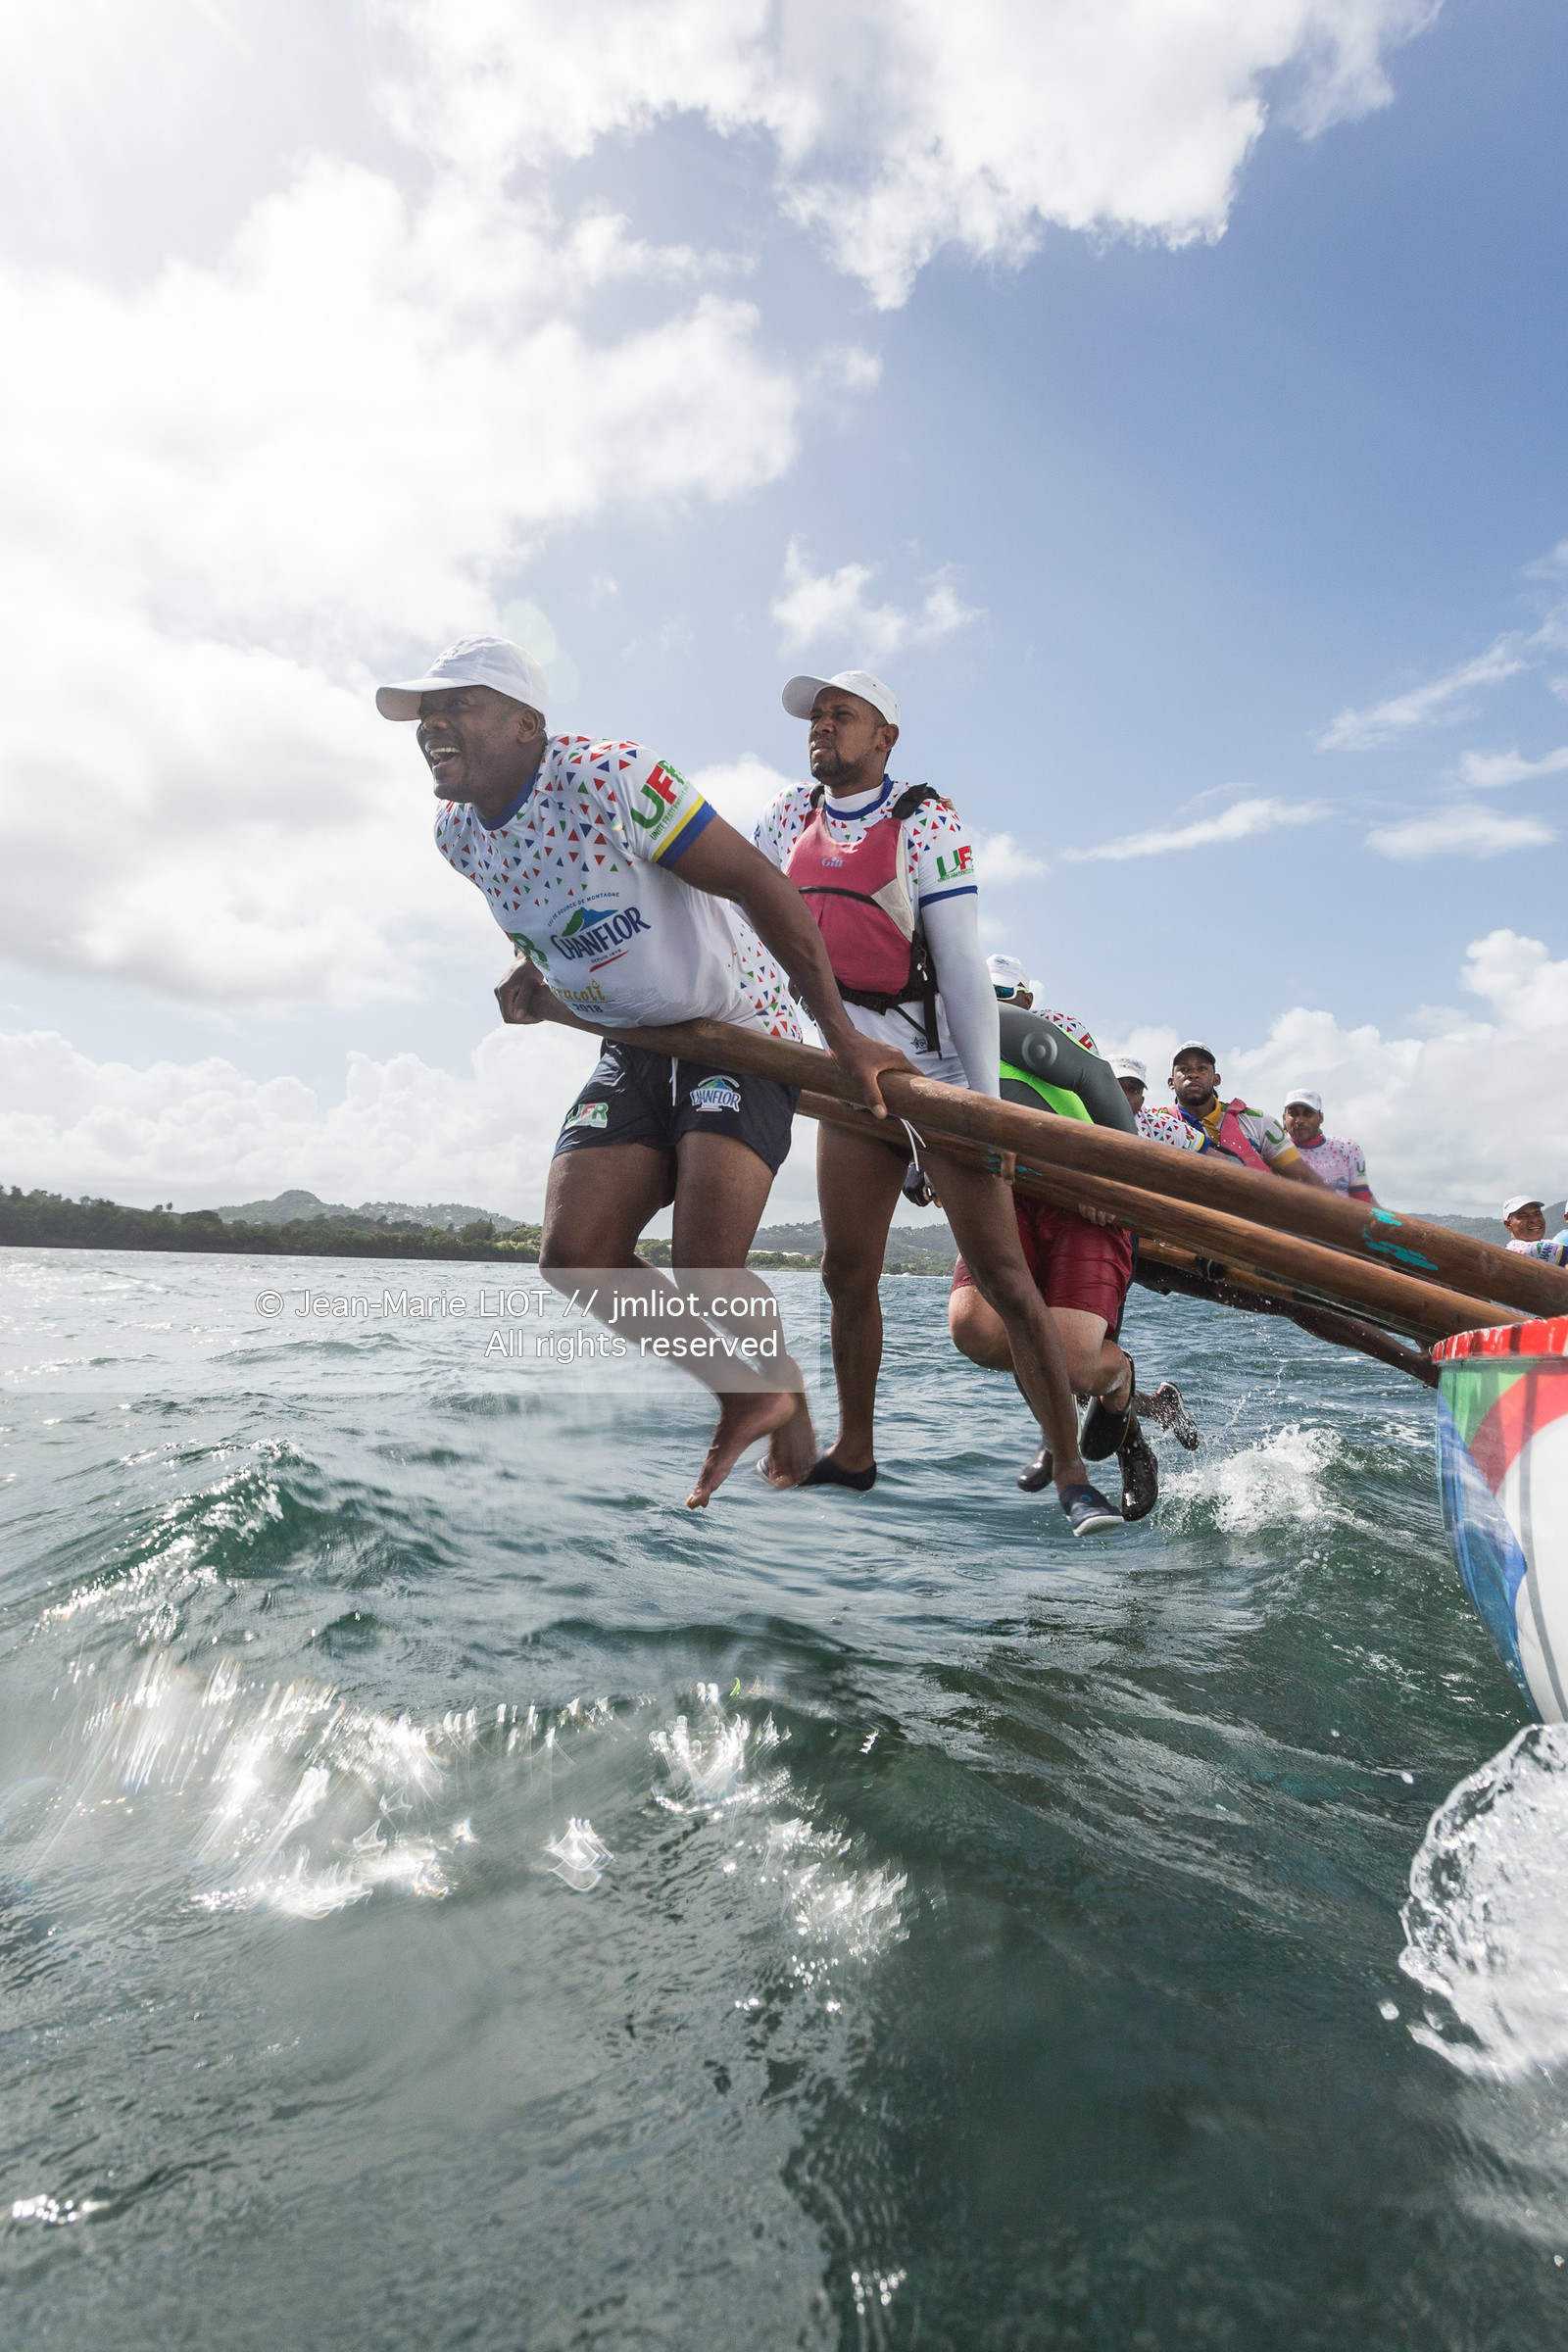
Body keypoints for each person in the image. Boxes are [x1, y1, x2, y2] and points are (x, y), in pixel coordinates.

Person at [377, 634, 906, 1508]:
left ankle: (787, 1408)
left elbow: (758, 884)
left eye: (457, 704)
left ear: (525, 724)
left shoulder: (614, 776)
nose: (432, 723)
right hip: (635, 1039)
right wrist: (543, 983)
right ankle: (751, 1394)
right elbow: (559, 919)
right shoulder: (455, 833)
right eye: (424, 712)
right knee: (575, 1254)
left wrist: (841, 1038)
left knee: (705, 1262)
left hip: (738, 1025)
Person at [755, 668, 1121, 1535]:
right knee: (845, 1269)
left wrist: (983, 1116)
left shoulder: (927, 819)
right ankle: (855, 1449)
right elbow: (742, 922)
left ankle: (1071, 1471)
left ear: (885, 738)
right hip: (852, 1072)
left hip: (942, 1074)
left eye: (843, 714)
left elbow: (960, 968)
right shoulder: (782, 818)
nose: (822, 725)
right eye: (816, 716)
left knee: (1002, 1275)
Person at [1168, 1044, 1323, 1182]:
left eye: (1202, 1068)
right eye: (1184, 1069)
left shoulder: (1259, 1122)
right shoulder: (1156, 1123)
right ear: (1171, 1082)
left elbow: (1306, 1179)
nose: (1193, 1074)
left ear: (1216, 1080)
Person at [1281, 1089, 1375, 1201]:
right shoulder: (1274, 1150)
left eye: (1307, 1114)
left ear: (1321, 1118)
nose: (1300, 1120)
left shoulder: (1348, 1148)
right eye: (1293, 1113)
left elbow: (1362, 1199)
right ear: (1284, 1118)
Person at [1110, 1054, 1198, 1152]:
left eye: (1133, 1090)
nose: (1124, 1096)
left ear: (1141, 1101)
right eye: (1116, 1085)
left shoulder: (1162, 1126)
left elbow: (1210, 1154)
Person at [1502, 1195, 1568, 1265]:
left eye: (1537, 1214)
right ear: (1508, 1225)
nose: (1534, 1219)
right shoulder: (1526, 1249)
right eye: (1523, 1216)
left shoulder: (1546, 1243)